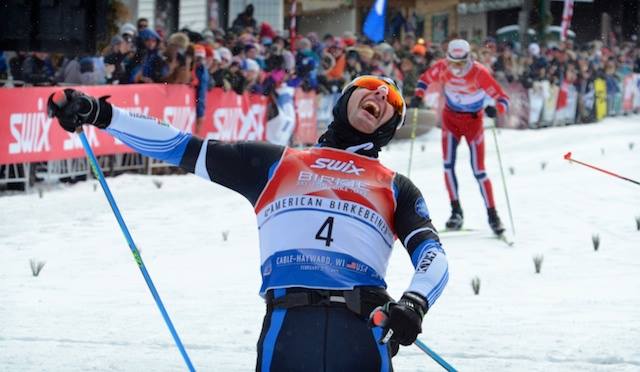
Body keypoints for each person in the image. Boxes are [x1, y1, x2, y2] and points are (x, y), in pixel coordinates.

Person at [47, 75, 449, 371]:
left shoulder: (395, 186)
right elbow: (179, 146)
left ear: (390, 127)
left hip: (364, 330)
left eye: (392, 98)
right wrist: (100, 113)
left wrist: (414, 303)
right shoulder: (277, 162)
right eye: (371, 85)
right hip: (288, 328)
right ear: (345, 98)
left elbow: (433, 254)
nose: (381, 94)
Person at [408, 39, 509, 235]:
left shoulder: (479, 73)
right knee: (447, 166)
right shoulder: (442, 67)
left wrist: (495, 109)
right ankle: (456, 212)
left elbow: (503, 98)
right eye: (452, 63)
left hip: (473, 123)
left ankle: (493, 215)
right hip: (450, 121)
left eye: (461, 63)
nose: (456, 68)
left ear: (468, 59)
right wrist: (418, 95)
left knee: (479, 171)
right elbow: (424, 79)